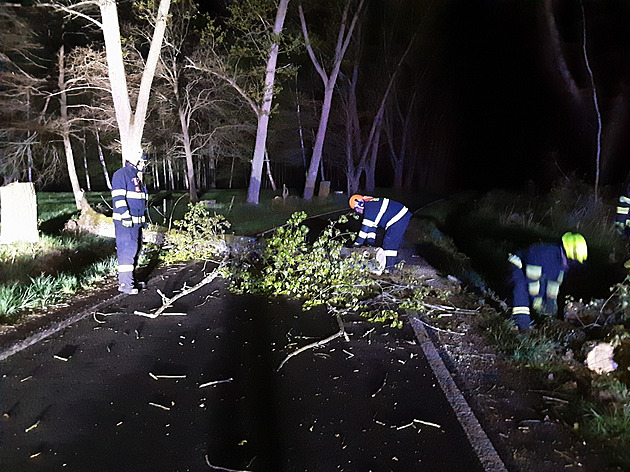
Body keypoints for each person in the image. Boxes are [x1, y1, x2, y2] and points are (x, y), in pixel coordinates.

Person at [508, 232, 587, 331]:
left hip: (532, 270)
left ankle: (536, 323)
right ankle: (521, 326)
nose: (574, 263)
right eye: (574, 259)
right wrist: (537, 301)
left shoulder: (562, 263)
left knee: (542, 305)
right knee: (521, 291)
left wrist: (550, 314)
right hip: (517, 265)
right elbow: (533, 282)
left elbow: (553, 287)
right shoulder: (545, 254)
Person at [111, 148, 149, 294]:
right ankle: (125, 285)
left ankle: (131, 280)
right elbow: (118, 198)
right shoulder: (121, 175)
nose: (144, 164)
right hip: (125, 223)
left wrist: (142, 221)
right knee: (127, 251)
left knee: (136, 250)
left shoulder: (135, 177)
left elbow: (139, 202)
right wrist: (125, 216)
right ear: (136, 161)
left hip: (136, 223)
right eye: (142, 161)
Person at [349, 194, 411, 270]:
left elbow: (364, 231)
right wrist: (370, 246)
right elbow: (371, 230)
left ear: (359, 203)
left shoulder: (369, 208)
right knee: (389, 242)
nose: (358, 212)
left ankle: (389, 269)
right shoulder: (371, 205)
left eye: (356, 209)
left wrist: (356, 245)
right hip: (399, 217)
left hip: (399, 218)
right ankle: (389, 266)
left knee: (389, 243)